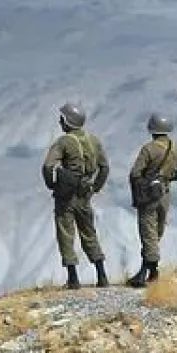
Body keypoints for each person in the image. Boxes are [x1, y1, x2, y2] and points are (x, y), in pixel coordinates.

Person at [41, 102, 110, 289]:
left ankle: (73, 279)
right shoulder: (94, 140)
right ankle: (102, 276)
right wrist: (95, 188)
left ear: (68, 121)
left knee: (66, 234)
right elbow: (104, 168)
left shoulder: (63, 142)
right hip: (85, 193)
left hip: (66, 196)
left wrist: (52, 184)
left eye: (62, 119)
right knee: (89, 233)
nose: (60, 122)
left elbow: (47, 166)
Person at [126, 112, 177, 287]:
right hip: (165, 193)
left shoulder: (149, 149)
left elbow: (135, 173)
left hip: (149, 195)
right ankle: (150, 271)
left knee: (148, 231)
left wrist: (141, 187)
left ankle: (149, 272)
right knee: (157, 231)